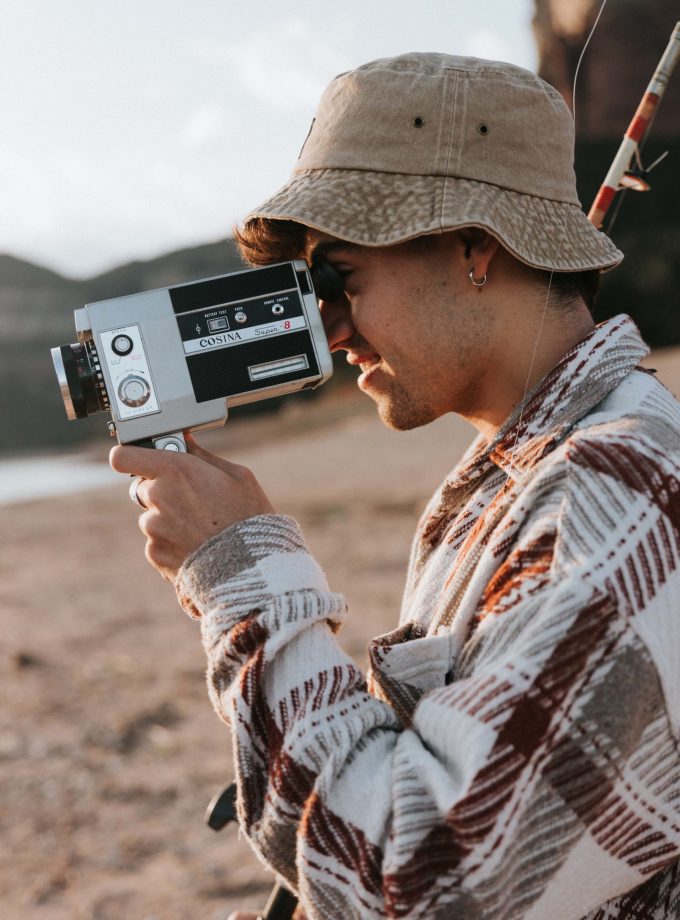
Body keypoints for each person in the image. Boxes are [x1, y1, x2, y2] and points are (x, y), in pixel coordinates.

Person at [110, 54, 680, 919]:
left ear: (475, 248)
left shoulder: (611, 498)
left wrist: (241, 573)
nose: (330, 330)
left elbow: (417, 885)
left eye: (341, 278)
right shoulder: (515, 473)